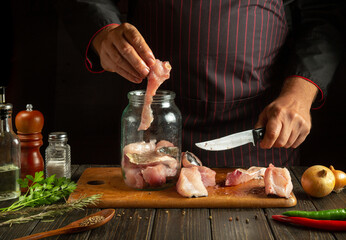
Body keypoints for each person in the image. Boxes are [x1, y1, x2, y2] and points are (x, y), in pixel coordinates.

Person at [56, 0, 344, 167]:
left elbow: (323, 15)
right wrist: (104, 33)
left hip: (260, 132)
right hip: (152, 135)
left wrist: (300, 92)